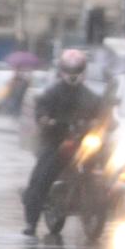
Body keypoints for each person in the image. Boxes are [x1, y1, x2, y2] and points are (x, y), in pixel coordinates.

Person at [21, 49, 104, 236]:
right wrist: (48, 121)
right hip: (57, 141)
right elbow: (41, 113)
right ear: (62, 70)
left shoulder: (91, 96)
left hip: (83, 144)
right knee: (41, 177)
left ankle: (97, 207)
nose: (73, 74)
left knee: (104, 168)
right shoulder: (51, 93)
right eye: (69, 69)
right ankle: (31, 222)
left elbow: (103, 116)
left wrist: (102, 124)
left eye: (77, 69)